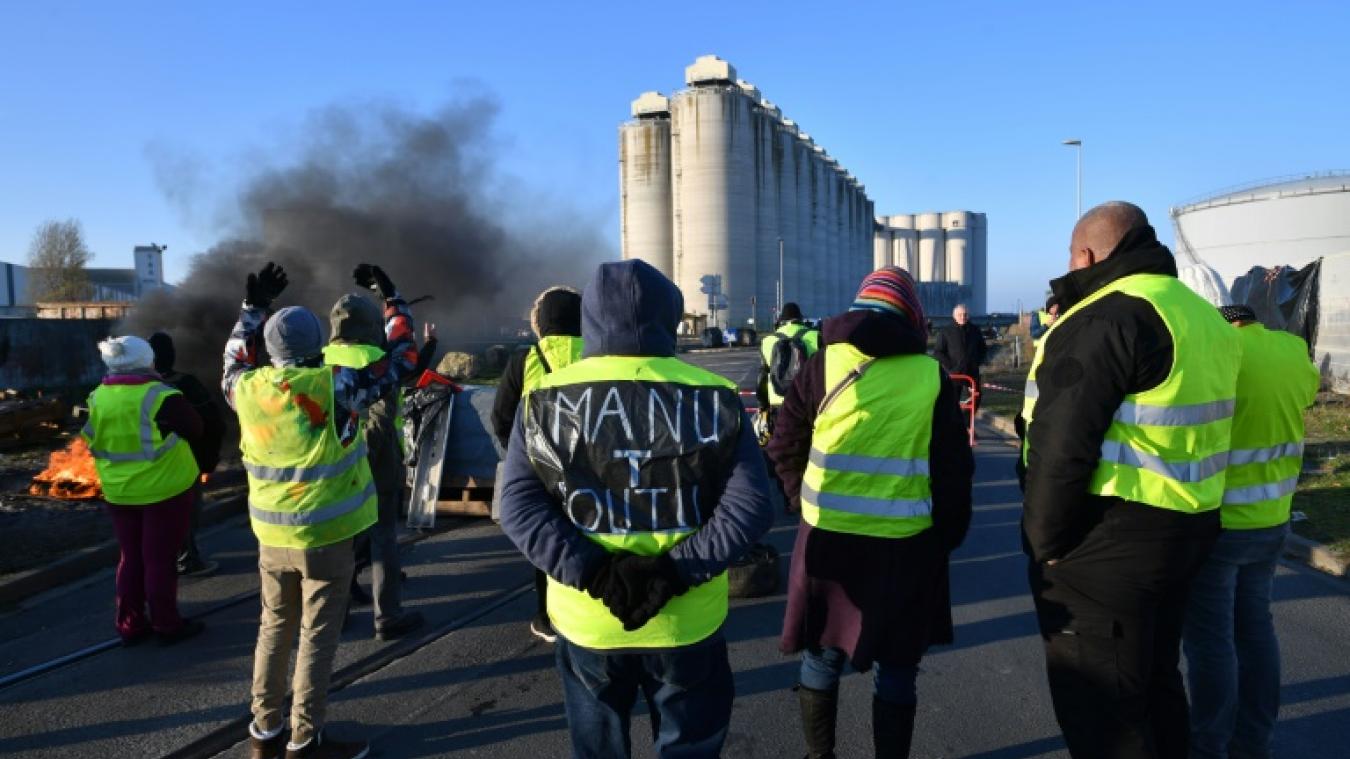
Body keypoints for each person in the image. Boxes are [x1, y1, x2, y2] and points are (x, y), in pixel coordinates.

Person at [497, 259, 774, 758]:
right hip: (685, 619)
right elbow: (751, 507)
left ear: (591, 321)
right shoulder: (716, 396)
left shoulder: (542, 398)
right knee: (689, 744)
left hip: (588, 619)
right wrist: (675, 571)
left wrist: (593, 572)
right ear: (670, 317)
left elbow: (517, 506)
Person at [1019, 201, 1241, 758]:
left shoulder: (1107, 317)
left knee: (1104, 719)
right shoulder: (1199, 315)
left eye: (1071, 257)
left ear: (1089, 255)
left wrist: (1044, 547)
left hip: (1106, 546)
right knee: (1157, 688)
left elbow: (1061, 450)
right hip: (1186, 529)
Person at [767, 267, 974, 758]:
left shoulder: (821, 365)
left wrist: (805, 501)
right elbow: (952, 472)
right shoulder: (931, 376)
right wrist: (945, 536)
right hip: (907, 546)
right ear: (911, 313)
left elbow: (783, 446)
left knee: (821, 656)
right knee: (898, 665)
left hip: (828, 540)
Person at [223, 262, 418, 759]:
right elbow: (402, 355)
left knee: (273, 629)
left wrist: (252, 310)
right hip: (325, 535)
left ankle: (264, 733)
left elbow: (232, 355)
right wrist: (393, 299)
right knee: (315, 638)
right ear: (319, 347)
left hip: (270, 533)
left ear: (271, 349)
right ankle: (305, 739)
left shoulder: (244, 388)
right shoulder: (336, 388)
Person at [1182, 304, 1319, 759]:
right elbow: (1306, 397)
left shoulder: (1218, 351)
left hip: (1219, 524)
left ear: (1221, 323)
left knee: (1211, 642)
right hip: (1273, 517)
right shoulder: (1292, 350)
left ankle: (1208, 745)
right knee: (1257, 630)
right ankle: (1253, 741)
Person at [84, 335, 205, 646]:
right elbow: (195, 429)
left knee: (131, 558)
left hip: (119, 492)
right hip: (164, 490)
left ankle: (130, 625)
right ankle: (167, 624)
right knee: (159, 559)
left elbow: (91, 438)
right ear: (146, 361)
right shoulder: (161, 395)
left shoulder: (98, 395)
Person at [322, 293, 425, 641]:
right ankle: (388, 616)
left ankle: (340, 609)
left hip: (334, 468)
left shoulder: (319, 361)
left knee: (342, 539)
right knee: (384, 543)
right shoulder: (378, 358)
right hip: (376, 466)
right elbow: (382, 419)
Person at [490, 286, 584, 644]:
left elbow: (501, 418)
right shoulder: (597, 353)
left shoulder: (523, 361)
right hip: (591, 467)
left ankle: (547, 617)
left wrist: (520, 458)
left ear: (540, 323)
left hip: (541, 466)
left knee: (547, 539)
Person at [148, 331, 226, 577]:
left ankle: (158, 561)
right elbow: (212, 423)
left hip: (143, 467)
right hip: (183, 464)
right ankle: (186, 560)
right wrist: (208, 460)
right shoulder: (184, 385)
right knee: (185, 514)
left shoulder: (135, 387)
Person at [756, 301, 820, 417]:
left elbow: (762, 377)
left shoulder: (767, 341)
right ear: (801, 319)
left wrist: (763, 405)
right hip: (808, 403)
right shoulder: (815, 336)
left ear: (781, 321)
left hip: (778, 404)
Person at [932, 303, 986, 409]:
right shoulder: (946, 332)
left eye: (965, 314)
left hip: (972, 373)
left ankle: (966, 422)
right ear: (954, 316)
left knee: (976, 398)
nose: (963, 317)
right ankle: (954, 423)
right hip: (953, 374)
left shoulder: (975, 330)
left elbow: (983, 349)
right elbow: (938, 352)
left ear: (968, 315)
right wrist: (951, 366)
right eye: (960, 314)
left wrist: (977, 362)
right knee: (952, 402)